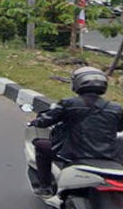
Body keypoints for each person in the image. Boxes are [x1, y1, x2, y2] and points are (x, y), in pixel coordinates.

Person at [30, 66, 123, 196]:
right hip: (106, 155)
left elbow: (47, 120)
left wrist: (36, 122)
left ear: (77, 83)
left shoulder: (69, 103)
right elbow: (118, 128)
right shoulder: (115, 108)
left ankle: (44, 186)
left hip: (73, 153)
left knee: (40, 145)